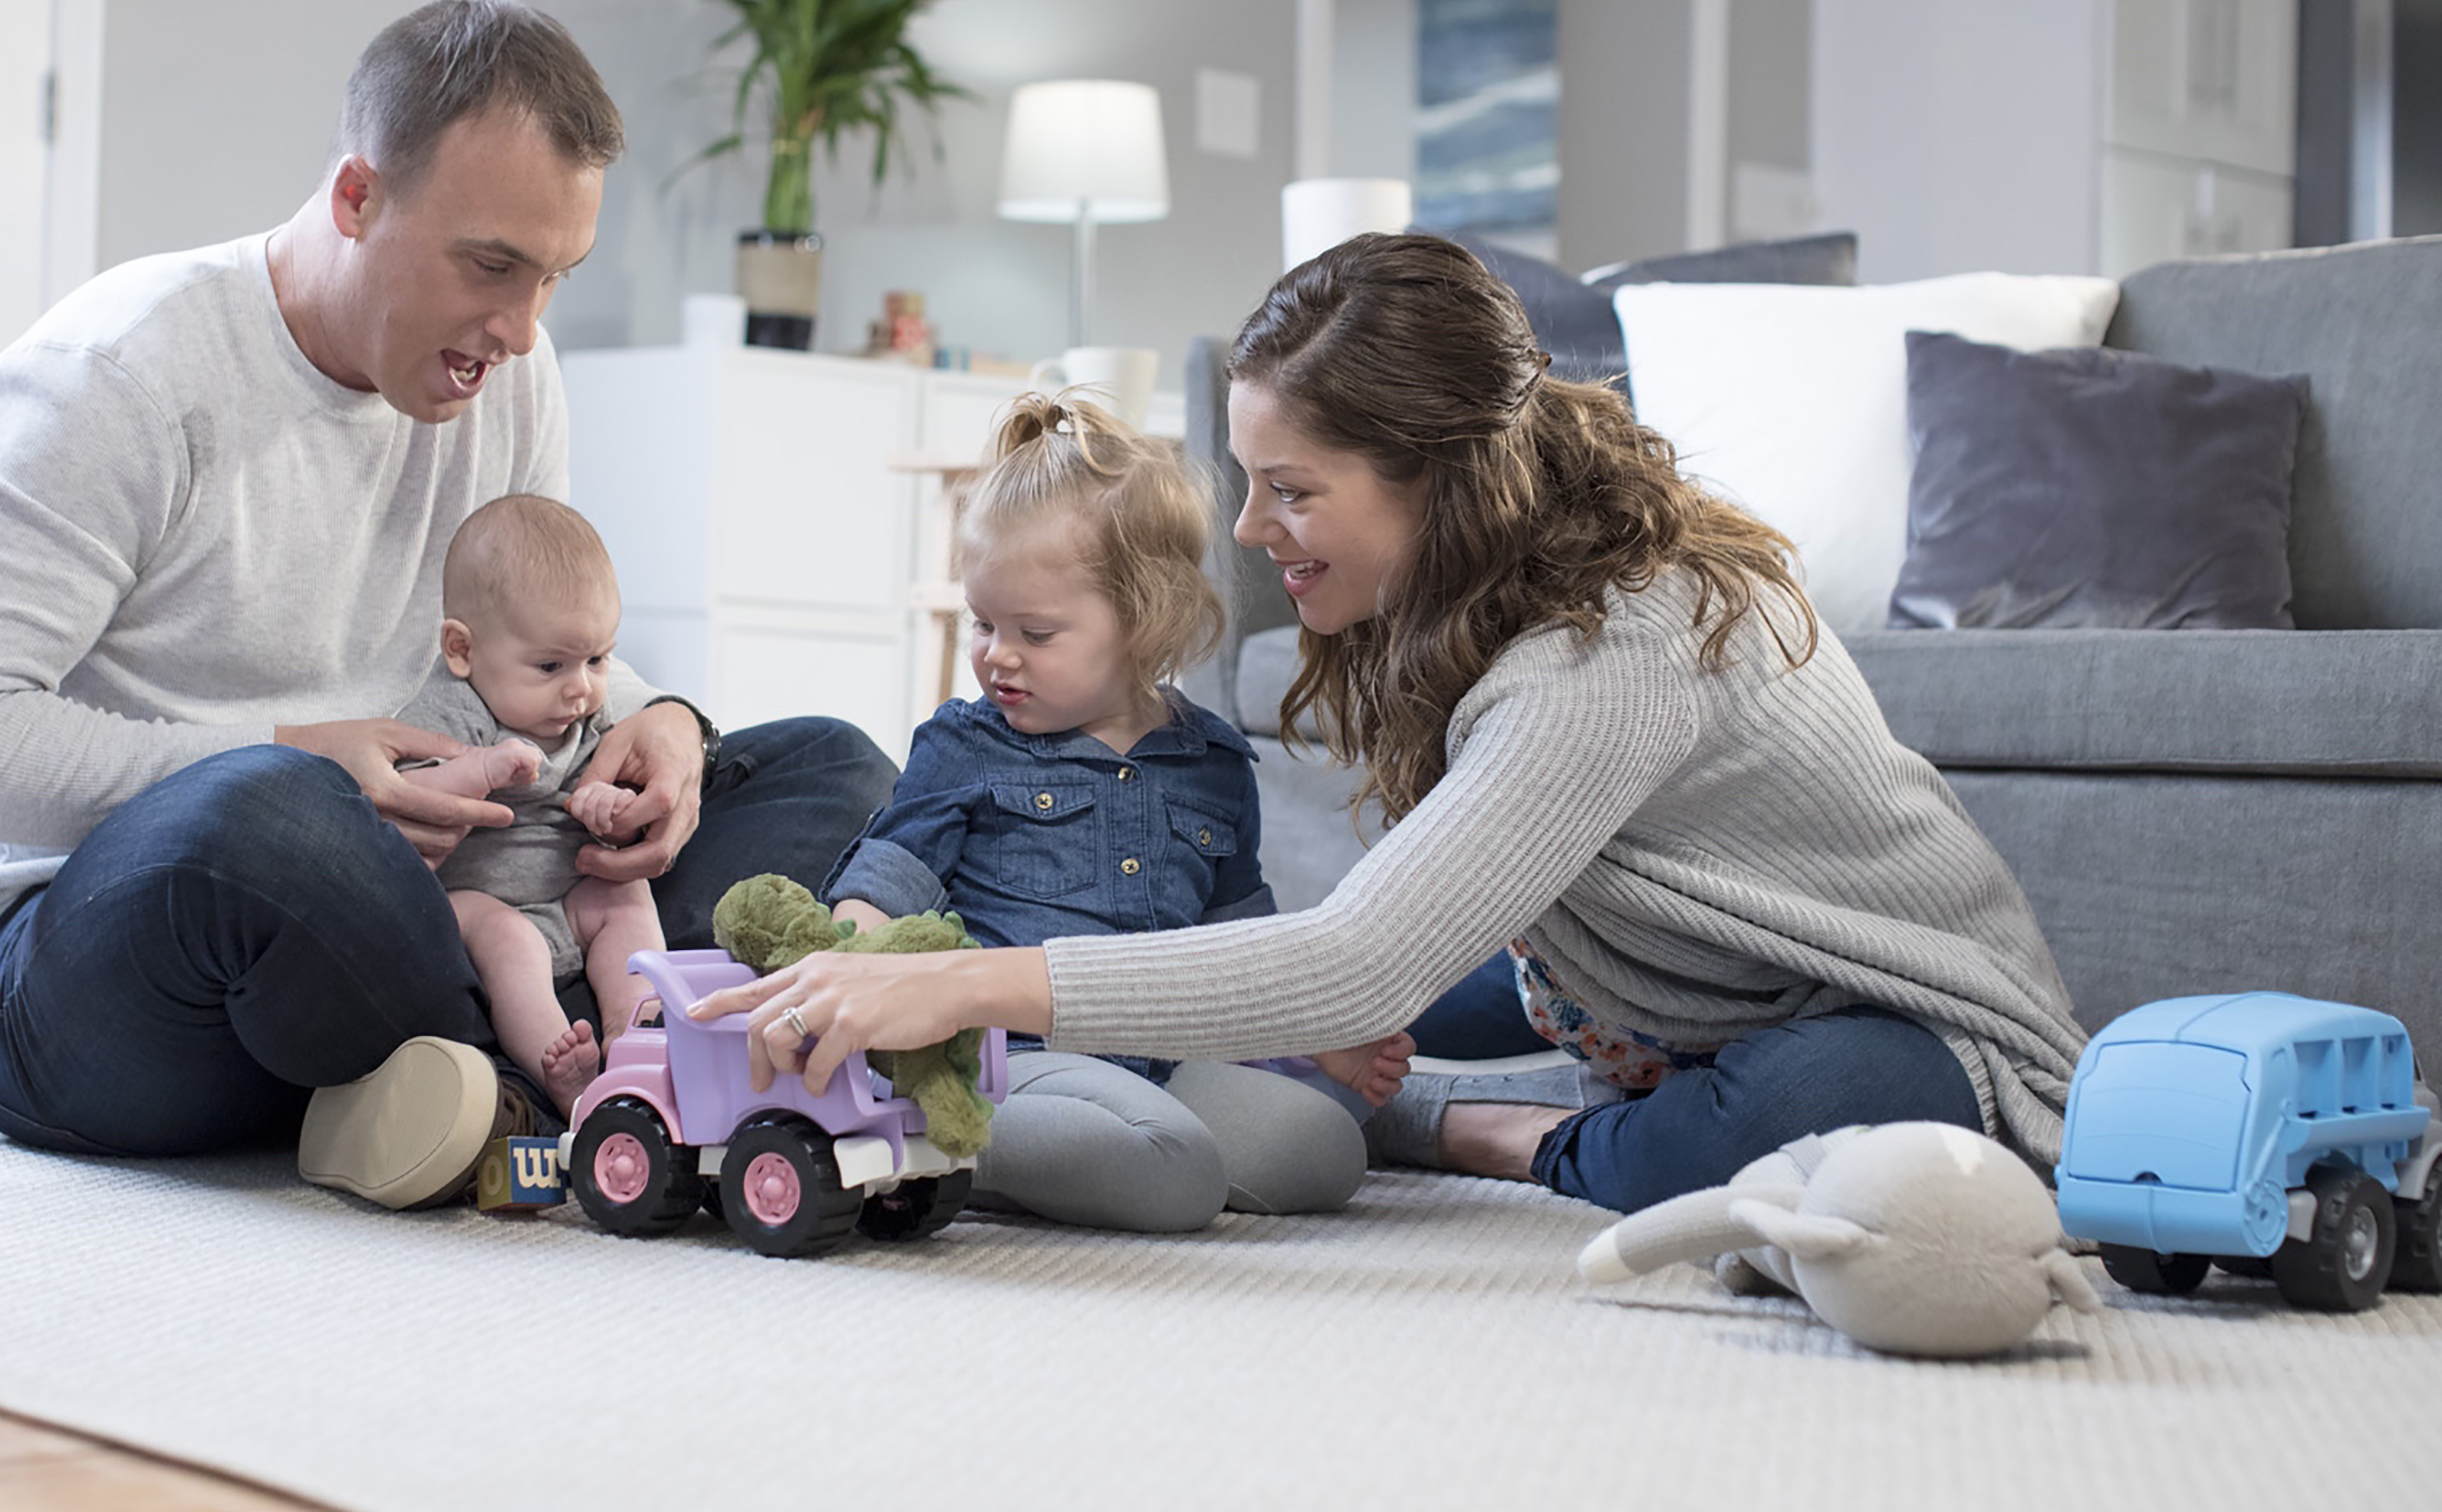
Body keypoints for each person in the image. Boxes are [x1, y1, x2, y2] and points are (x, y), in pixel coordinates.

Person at [694, 233, 2088, 1216]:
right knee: (1272, 984)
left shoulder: (1617, 643)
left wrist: (959, 987)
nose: (1250, 532)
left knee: (1824, 1110)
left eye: (1291, 490)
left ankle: (1499, 1135)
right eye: (1249, 482)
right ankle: (1432, 1097)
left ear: (1440, 479)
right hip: (1650, 977)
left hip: (1903, 1034)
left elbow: (1355, 967)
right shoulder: (1499, 593)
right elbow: (1367, 949)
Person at [0, 0, 896, 1211]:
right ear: (357, 198)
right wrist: (305, 761)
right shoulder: (120, 374)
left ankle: (516, 1075)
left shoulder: (509, 370)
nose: (518, 328)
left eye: (555, 277)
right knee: (274, 826)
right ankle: (536, 1058)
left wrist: (662, 723)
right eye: (492, 265)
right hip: (84, 972)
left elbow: (537, 639)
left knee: (834, 770)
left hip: (447, 912)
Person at [820, 393, 1409, 1234]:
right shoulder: (966, 745)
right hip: (1010, 1061)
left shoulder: (1213, 765)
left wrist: (1325, 1038)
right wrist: (853, 954)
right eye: (982, 623)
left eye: (1037, 631)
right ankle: (927, 1143)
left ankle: (1099, 1148)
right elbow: (885, 886)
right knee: (1169, 1174)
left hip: (1160, 1061)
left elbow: (1242, 942)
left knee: (1324, 1150)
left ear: (1144, 621)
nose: (997, 654)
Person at [394, 493, 663, 1118]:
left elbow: (622, 786)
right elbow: (408, 796)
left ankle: (636, 1021)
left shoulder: (589, 714)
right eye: (551, 665)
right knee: (509, 939)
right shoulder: (455, 709)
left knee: (625, 896)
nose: (582, 686)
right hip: (477, 908)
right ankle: (557, 1065)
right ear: (462, 650)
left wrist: (610, 805)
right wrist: (477, 770)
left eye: (598, 659)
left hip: (567, 901)